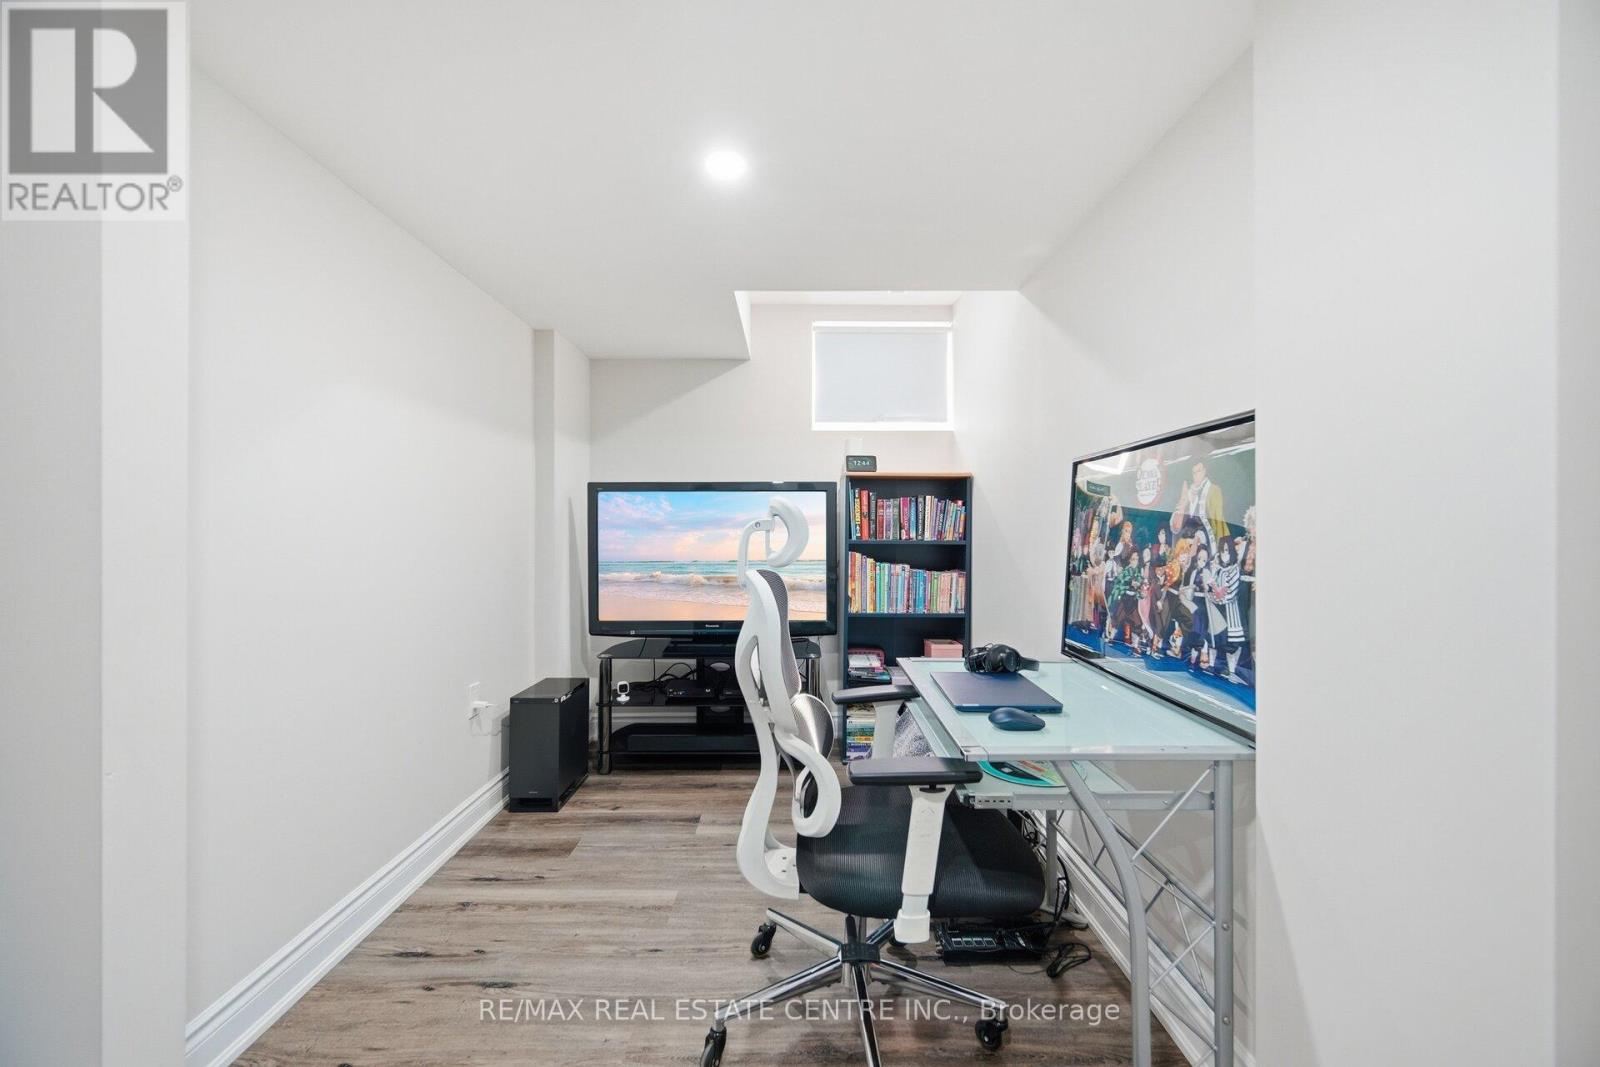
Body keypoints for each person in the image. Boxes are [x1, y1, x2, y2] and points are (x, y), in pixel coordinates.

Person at [1172, 460, 1228, 544]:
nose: (1196, 475)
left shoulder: (1213, 490)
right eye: (1194, 472)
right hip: (1185, 543)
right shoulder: (1188, 493)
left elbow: (1217, 521)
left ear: (1204, 471)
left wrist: (1199, 539)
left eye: (1199, 471)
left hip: (1205, 542)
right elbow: (1177, 525)